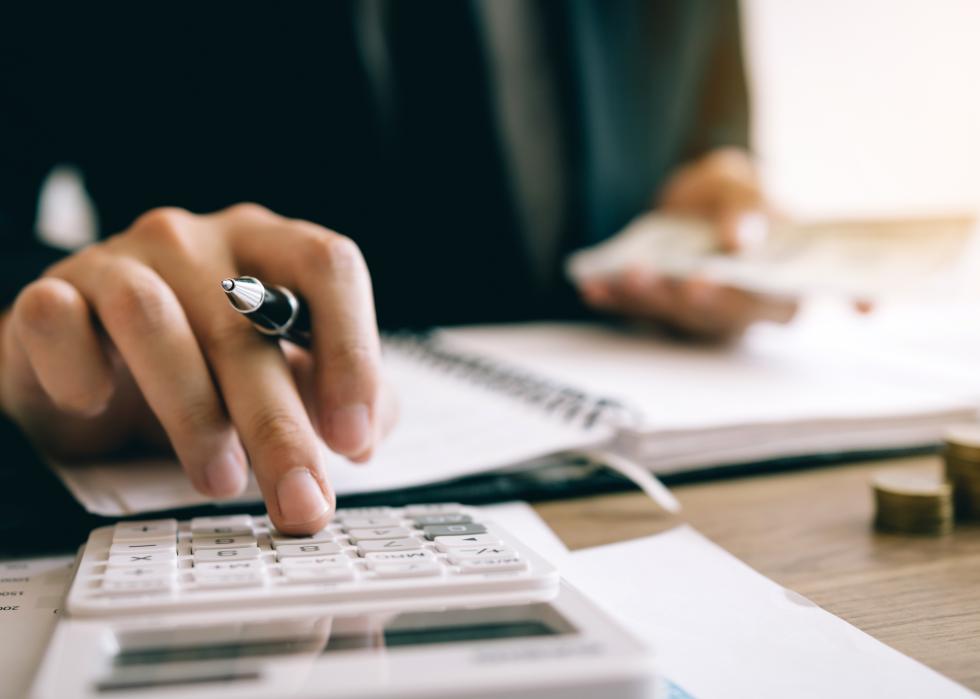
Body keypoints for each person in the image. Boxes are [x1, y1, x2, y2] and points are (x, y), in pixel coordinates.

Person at [0, 1, 786, 535]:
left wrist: (719, 207)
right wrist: (39, 335)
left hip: (661, 469)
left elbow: (709, 131)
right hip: (201, 453)